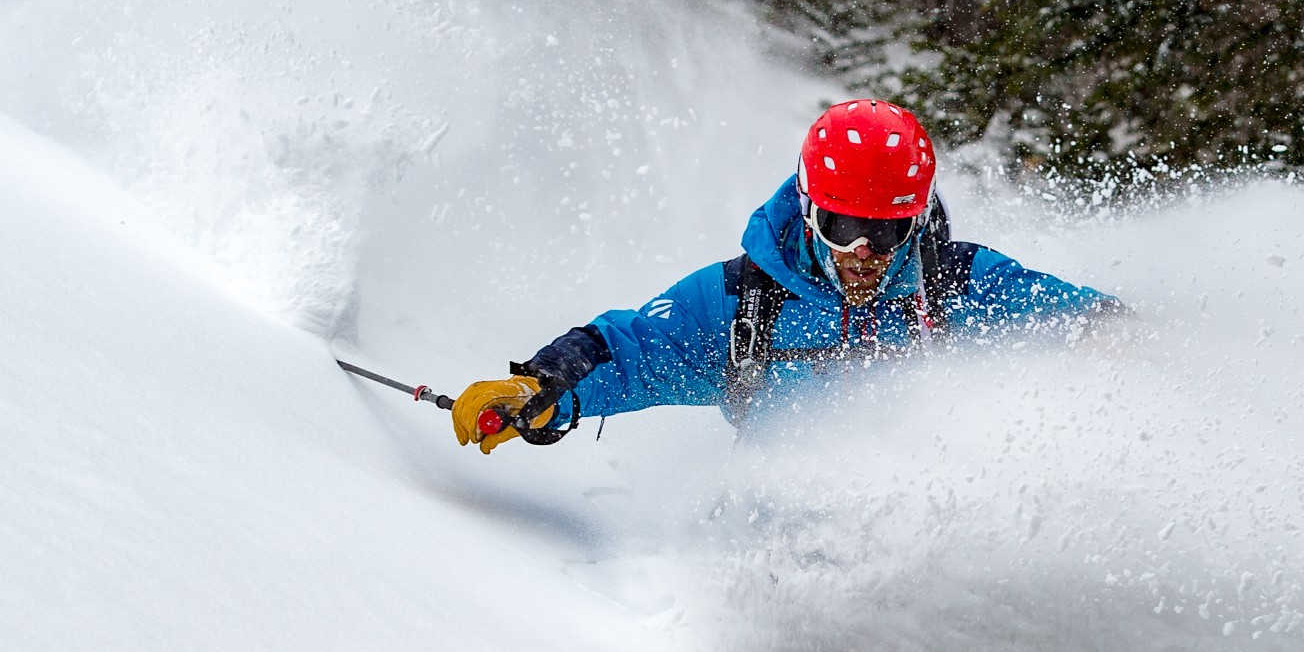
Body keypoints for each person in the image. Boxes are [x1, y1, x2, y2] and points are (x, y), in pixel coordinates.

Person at [449, 99, 1113, 452]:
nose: (863, 251)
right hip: (774, 548)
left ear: (914, 221)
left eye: (884, 231)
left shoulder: (959, 287)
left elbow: (1075, 318)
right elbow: (630, 352)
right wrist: (538, 389)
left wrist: (1115, 337)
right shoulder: (746, 304)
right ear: (807, 208)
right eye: (841, 227)